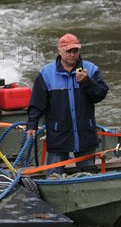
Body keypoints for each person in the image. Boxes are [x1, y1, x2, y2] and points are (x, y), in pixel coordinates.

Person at [26, 33, 109, 175]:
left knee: (88, 176)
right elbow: (37, 103)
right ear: (60, 51)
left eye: (75, 51)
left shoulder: (91, 70)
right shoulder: (46, 73)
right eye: (68, 51)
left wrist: (87, 82)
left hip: (85, 134)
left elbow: (100, 94)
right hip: (59, 135)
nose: (72, 54)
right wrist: (32, 125)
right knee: (53, 176)